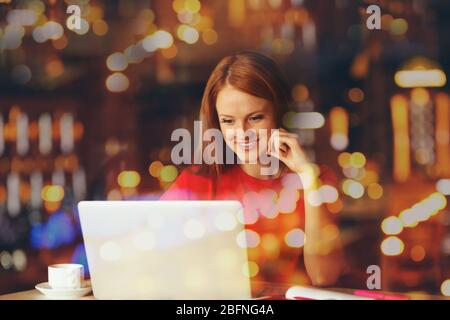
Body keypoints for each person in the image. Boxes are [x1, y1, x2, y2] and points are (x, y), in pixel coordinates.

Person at [161, 51, 344, 292]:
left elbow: (324, 275)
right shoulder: (196, 183)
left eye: (255, 118)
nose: (242, 132)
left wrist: (307, 176)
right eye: (228, 121)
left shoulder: (313, 182)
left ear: (279, 114)